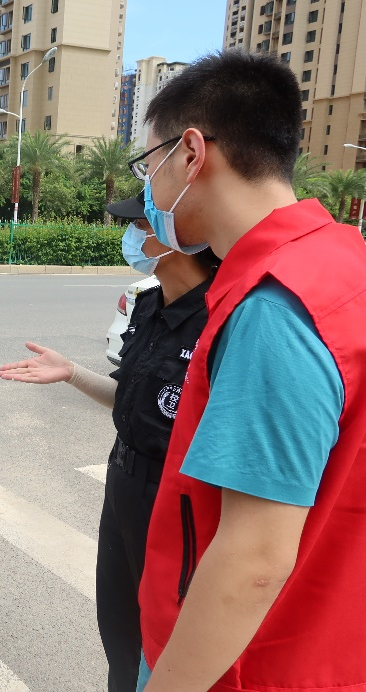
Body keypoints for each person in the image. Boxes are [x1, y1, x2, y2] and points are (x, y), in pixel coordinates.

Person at [130, 51, 366, 691]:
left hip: (245, 665)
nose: (149, 188)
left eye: (149, 165)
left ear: (191, 153)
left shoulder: (276, 308)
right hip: (322, 641)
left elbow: (253, 560)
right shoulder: (341, 261)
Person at [0, 192, 217, 691]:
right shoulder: (148, 302)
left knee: (165, 641)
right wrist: (72, 373)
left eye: (140, 224)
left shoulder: (221, 318)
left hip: (175, 501)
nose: (130, 236)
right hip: (122, 483)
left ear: (180, 235)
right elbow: (137, 399)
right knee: (119, 632)